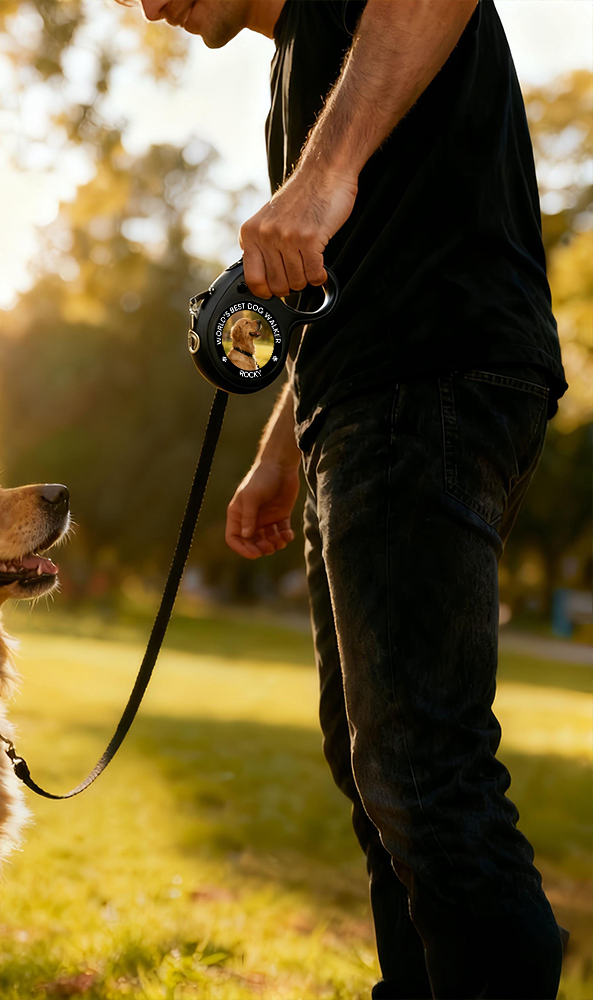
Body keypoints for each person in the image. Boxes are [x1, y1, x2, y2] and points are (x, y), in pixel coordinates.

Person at [138, 2, 568, 998]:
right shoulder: (308, 61)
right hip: (365, 402)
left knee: (420, 759)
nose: (148, 3)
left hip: (434, 377)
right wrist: (281, 451)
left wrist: (321, 172)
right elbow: (340, 282)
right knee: (376, 765)